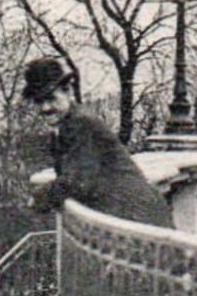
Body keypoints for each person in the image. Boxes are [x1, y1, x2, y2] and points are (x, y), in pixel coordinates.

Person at [22, 57, 174, 228]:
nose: (45, 108)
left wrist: (39, 197)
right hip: (126, 216)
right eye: (38, 101)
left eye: (51, 99)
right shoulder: (65, 127)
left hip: (136, 218)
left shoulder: (80, 124)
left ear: (68, 92)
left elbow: (78, 182)